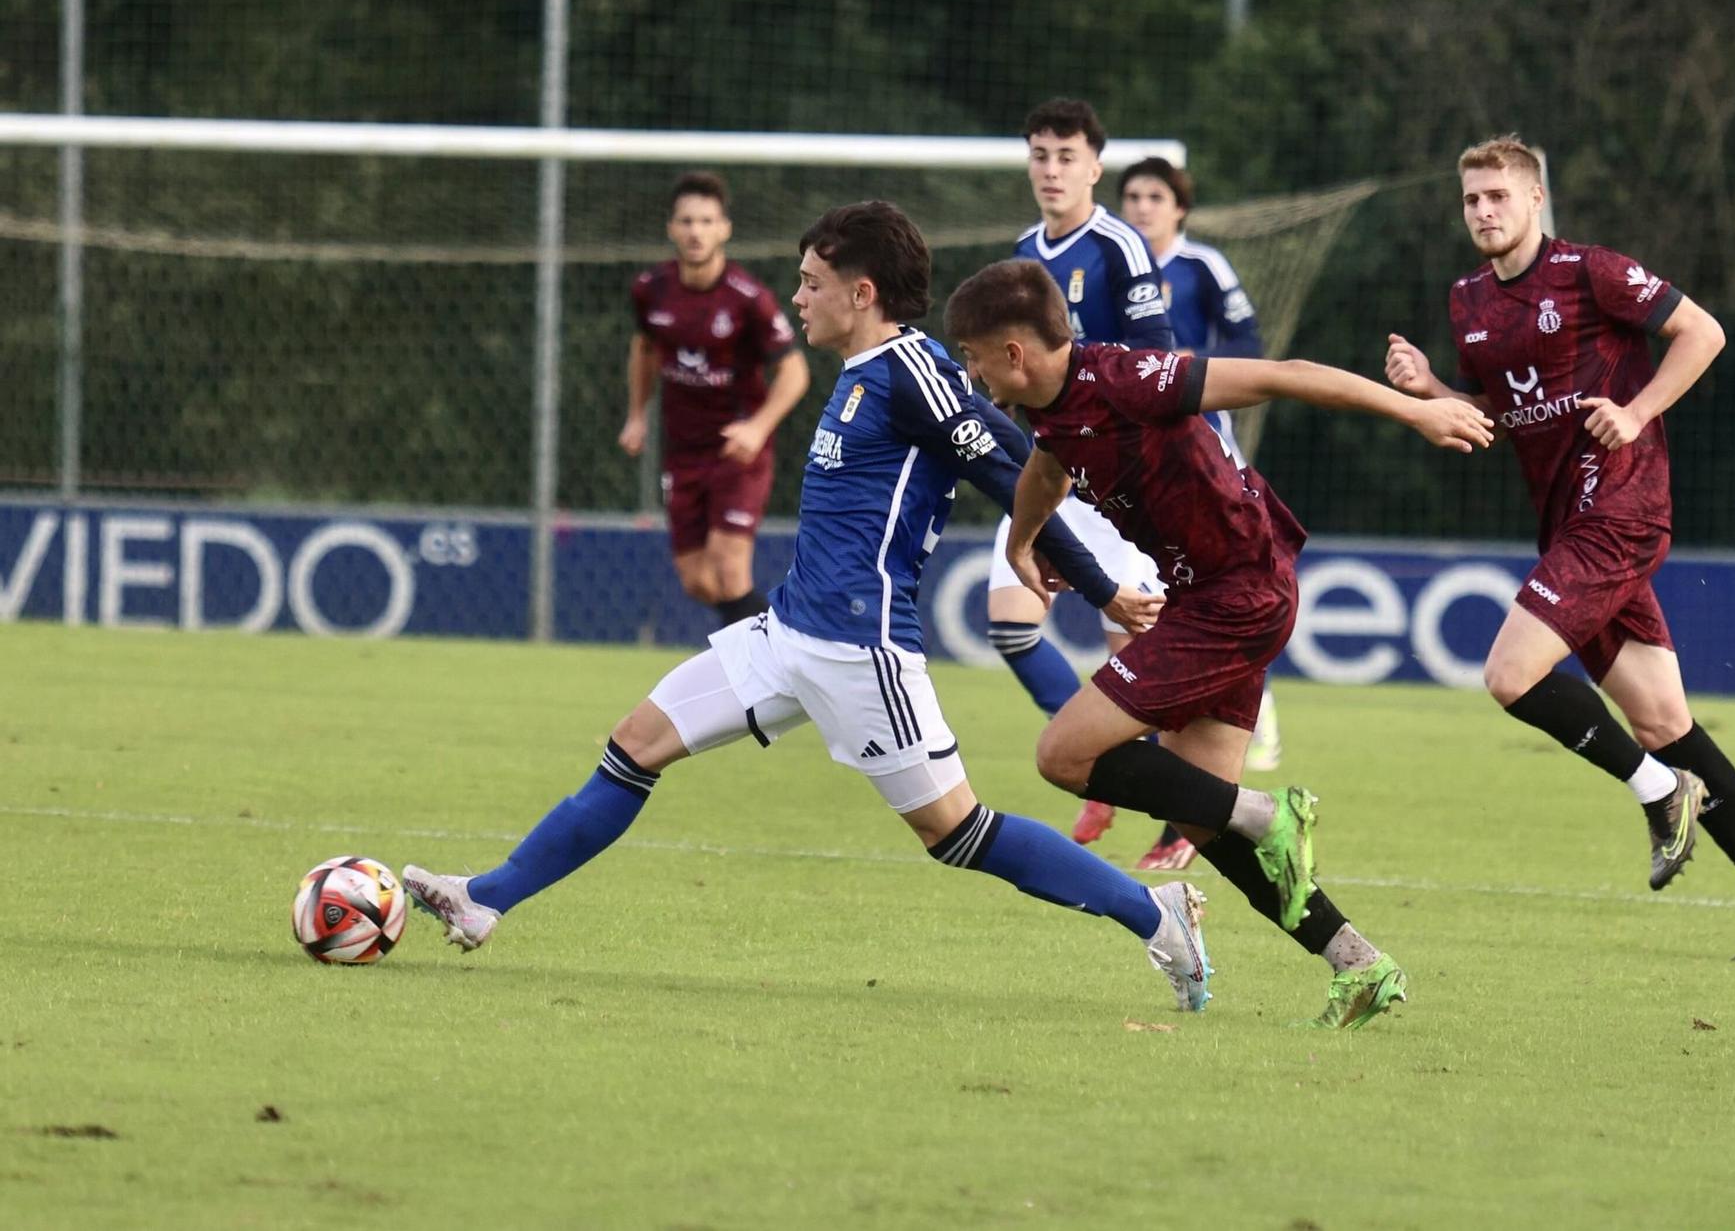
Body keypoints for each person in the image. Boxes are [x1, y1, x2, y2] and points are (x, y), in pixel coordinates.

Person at [402, 202, 1223, 1014]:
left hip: (860, 651)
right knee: (632, 746)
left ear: (861, 293)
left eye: (811, 282)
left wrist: (1094, 579)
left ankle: (1156, 912)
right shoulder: (870, 371)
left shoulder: (915, 371)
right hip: (786, 631)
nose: (797, 297)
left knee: (958, 833)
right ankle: (486, 898)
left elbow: (1017, 469)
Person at [944, 257, 1495, 1028]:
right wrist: (1021, 543)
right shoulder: (1053, 406)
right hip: (1215, 591)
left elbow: (1286, 374)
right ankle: (1357, 961)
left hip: (1236, 591)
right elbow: (1048, 464)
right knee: (1205, 814)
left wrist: (1419, 414)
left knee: (1063, 755)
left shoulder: (1130, 378)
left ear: (1014, 352)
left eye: (970, 354)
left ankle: (1273, 814)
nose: (967, 371)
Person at [1383, 134, 1735, 963]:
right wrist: (1431, 391)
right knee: (1662, 719)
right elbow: (1504, 411)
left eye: (1498, 197)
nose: (1483, 211)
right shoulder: (1468, 301)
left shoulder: (1591, 272)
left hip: (1620, 505)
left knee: (1509, 674)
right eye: (1471, 198)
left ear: (1535, 199)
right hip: (1566, 521)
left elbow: (1705, 333)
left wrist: (1638, 410)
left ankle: (1660, 794)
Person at [995, 99, 1185, 869]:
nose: (1051, 168)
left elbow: (1158, 358)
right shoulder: (1021, 251)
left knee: (1139, 653)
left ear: (1095, 166)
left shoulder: (1118, 247)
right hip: (1047, 469)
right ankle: (1106, 773)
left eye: (1066, 155)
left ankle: (1180, 815)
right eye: (1039, 153)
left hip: (1112, 476)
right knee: (1010, 622)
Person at [1119, 155, 1283, 784]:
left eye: (1155, 196)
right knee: (1166, 592)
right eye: (1132, 195)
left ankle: (1251, 706)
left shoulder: (1202, 267)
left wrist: (1191, 363)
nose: (1141, 206)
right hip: (1135, 454)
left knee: (1222, 582)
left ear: (1179, 207)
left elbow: (1248, 348)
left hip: (1203, 447)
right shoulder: (1113, 263)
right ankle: (1180, 718)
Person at [620, 172, 811, 630]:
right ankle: (782, 645)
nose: (695, 231)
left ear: (724, 228)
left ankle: (767, 677)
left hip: (737, 450)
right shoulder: (651, 290)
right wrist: (636, 416)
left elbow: (794, 371)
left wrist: (757, 428)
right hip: (682, 451)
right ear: (671, 228)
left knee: (728, 568)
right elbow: (644, 349)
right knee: (698, 581)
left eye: (706, 220)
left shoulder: (749, 299)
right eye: (686, 221)